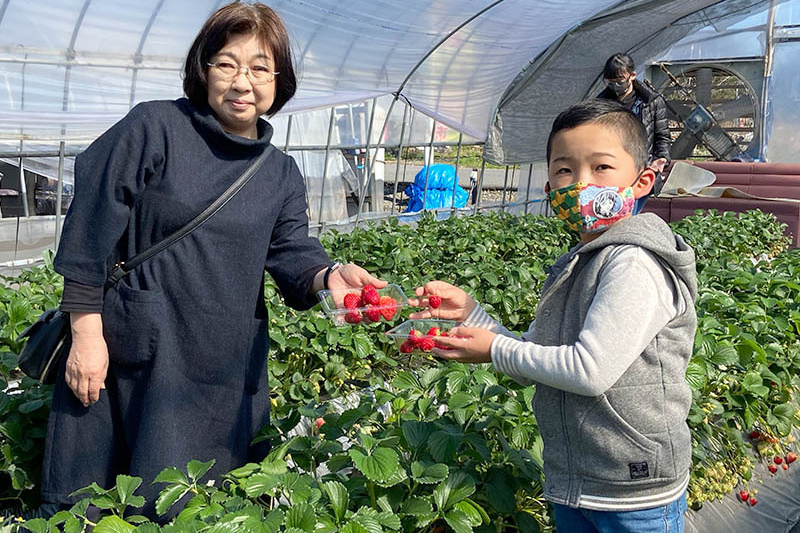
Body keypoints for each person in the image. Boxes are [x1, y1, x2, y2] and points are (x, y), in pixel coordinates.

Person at [41, 2, 383, 521]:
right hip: (127, 350)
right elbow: (91, 226)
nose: (243, 81)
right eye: (227, 63)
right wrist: (86, 336)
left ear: (278, 82)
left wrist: (327, 274)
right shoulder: (155, 127)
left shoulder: (279, 172)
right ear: (203, 70)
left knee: (191, 504)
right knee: (91, 500)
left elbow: (291, 251)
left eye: (260, 67)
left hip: (219, 367)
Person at [410, 99, 697, 533]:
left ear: (642, 181)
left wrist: (495, 350)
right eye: (565, 170)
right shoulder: (579, 261)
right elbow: (538, 362)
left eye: (601, 167)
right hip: (578, 480)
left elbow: (589, 371)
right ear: (548, 185)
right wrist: (474, 314)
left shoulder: (633, 263)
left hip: (633, 490)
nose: (581, 183)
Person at [597, 53, 671, 211]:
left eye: (619, 81)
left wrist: (660, 160)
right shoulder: (601, 105)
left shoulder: (651, 102)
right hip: (611, 172)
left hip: (642, 171)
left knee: (629, 215)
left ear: (632, 76)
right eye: (610, 82)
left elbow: (662, 137)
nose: (615, 86)